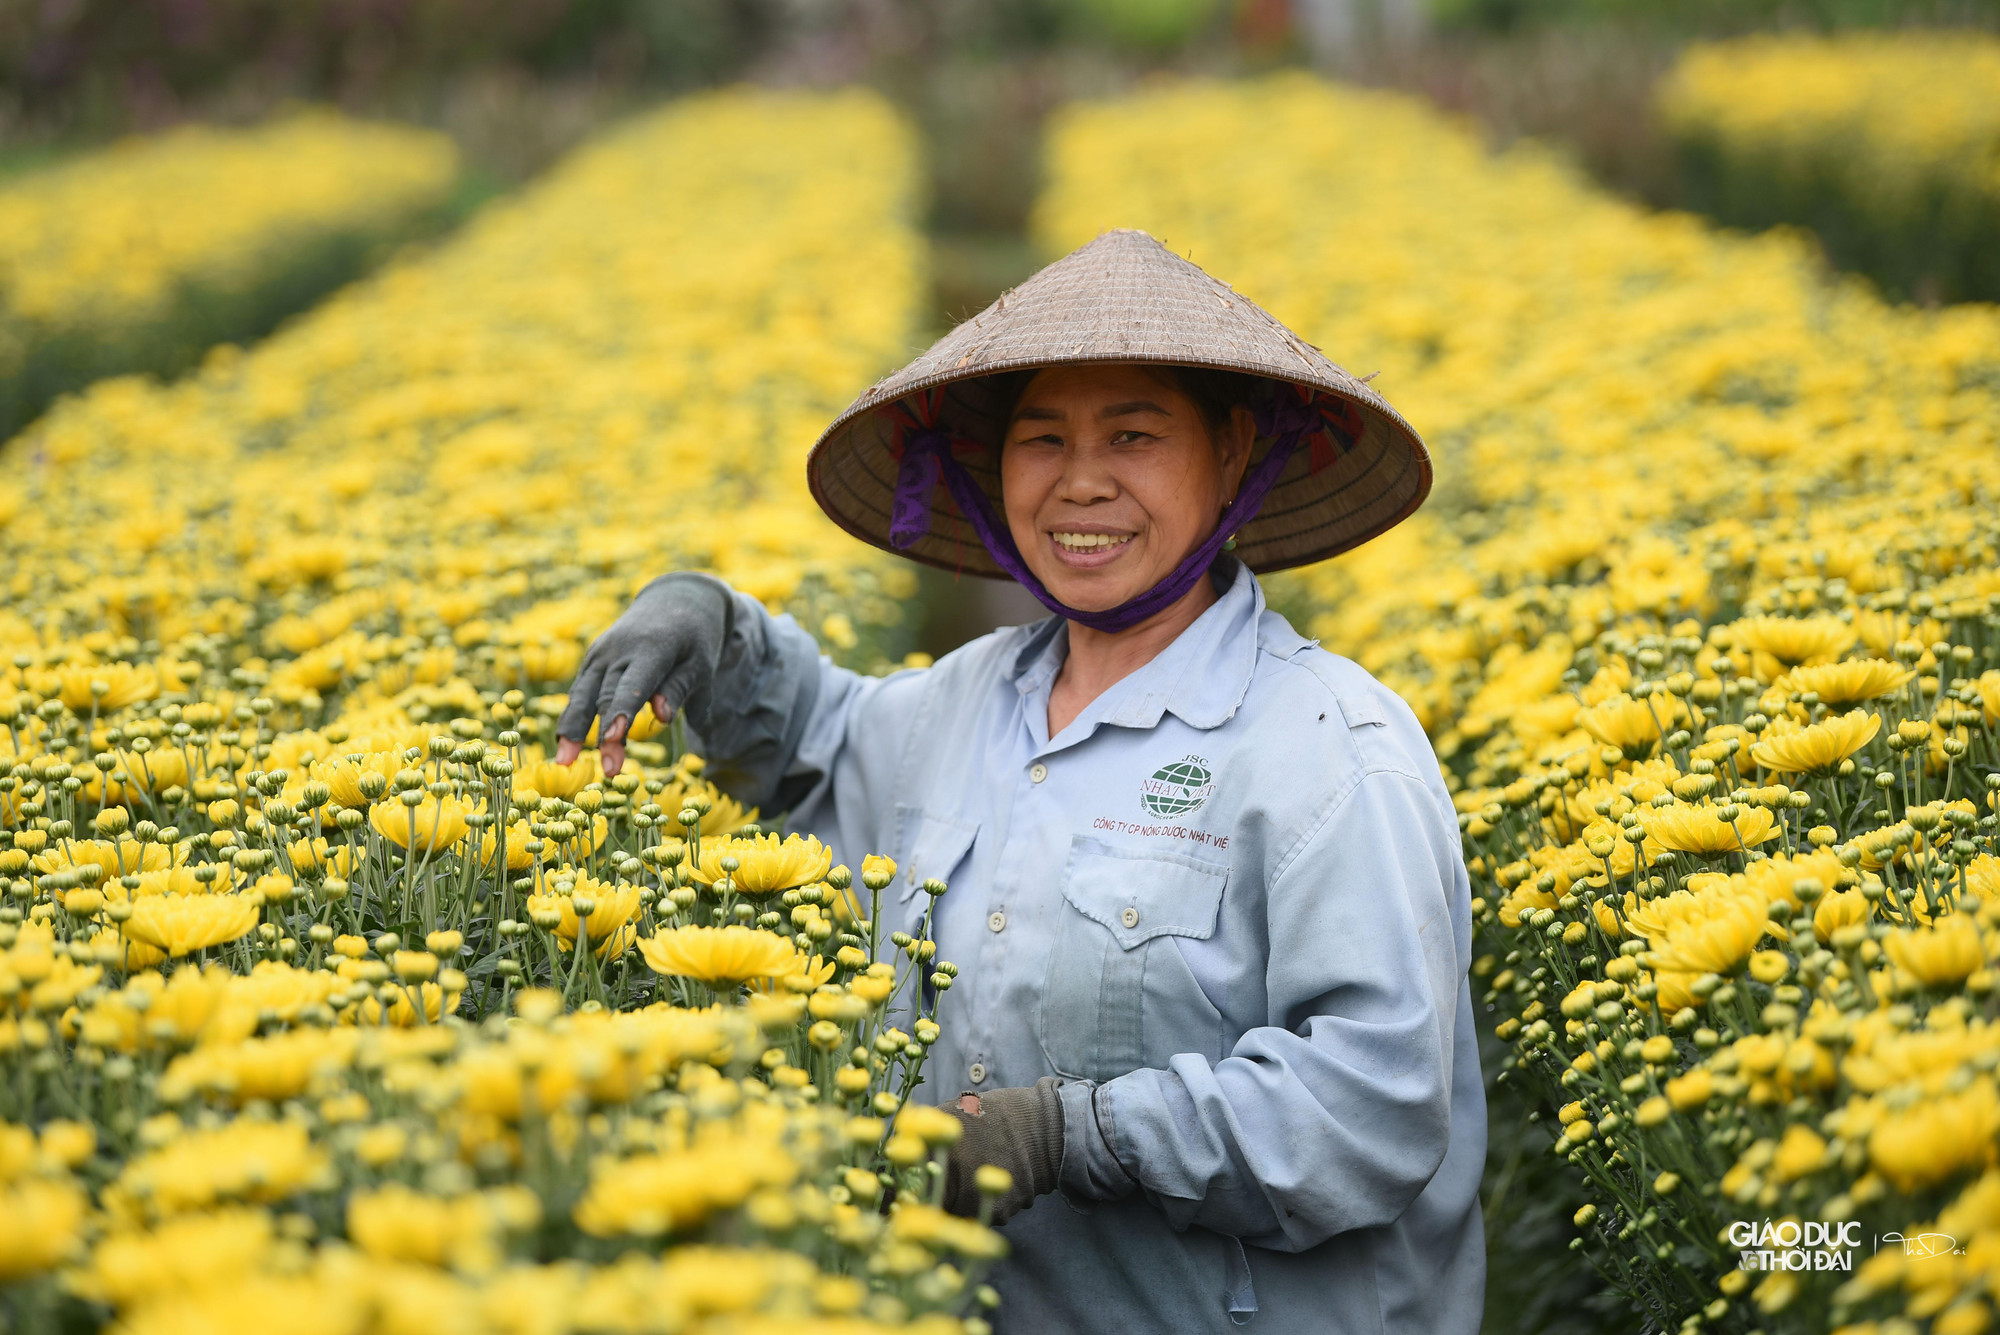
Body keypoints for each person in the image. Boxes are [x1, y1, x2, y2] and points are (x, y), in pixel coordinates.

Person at [556, 230, 1485, 1332]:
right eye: (1040, 440)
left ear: (1232, 454)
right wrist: (705, 620)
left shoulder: (1327, 747)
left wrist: (1071, 1133)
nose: (1079, 482)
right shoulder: (966, 701)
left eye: (1132, 436)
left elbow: (1369, 1107)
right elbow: (811, 738)